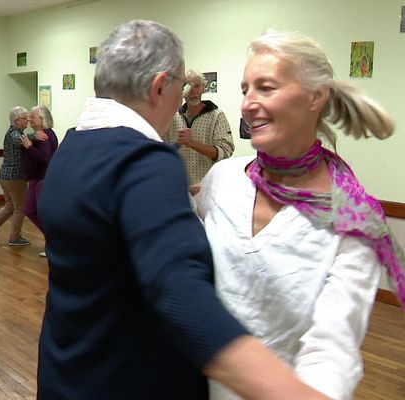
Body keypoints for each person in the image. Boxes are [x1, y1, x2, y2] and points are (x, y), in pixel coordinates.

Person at [36, 20, 329, 400]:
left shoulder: (71, 150)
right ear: (161, 87)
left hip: (68, 370)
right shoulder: (143, 160)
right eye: (179, 89)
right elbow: (180, 296)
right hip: (129, 380)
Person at [194, 30, 405, 400]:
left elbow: (333, 350)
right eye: (245, 89)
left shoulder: (352, 221)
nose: (247, 104)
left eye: (266, 88)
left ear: (315, 96)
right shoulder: (223, 180)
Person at [163, 69, 234, 187]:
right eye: (189, 86)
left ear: (204, 88)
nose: (193, 91)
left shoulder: (217, 115)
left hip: (208, 186)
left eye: (197, 86)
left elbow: (225, 152)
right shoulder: (172, 116)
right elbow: (162, 147)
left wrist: (191, 143)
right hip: (179, 186)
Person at [0, 106, 32, 247]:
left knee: (10, 205)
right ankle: (15, 237)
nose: (27, 120)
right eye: (24, 118)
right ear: (16, 121)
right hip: (14, 177)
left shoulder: (13, 132)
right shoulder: (14, 133)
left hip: (5, 176)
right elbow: (19, 140)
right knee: (20, 208)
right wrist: (37, 136)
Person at [20, 105, 58, 257]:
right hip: (34, 179)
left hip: (43, 179)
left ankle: (54, 242)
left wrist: (29, 147)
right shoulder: (37, 135)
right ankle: (52, 240)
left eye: (33, 116)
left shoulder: (46, 136)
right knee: (29, 209)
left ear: (42, 120)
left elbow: (45, 158)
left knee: (43, 213)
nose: (29, 119)